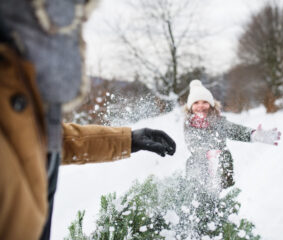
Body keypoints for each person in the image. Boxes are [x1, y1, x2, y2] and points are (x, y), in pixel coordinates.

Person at [0, 2, 176, 240]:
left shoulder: (21, 108)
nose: (76, 43)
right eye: (65, 20)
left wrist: (128, 140)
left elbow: (52, 141)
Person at [184, 80, 281, 189]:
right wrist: (209, 154)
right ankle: (194, 192)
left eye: (204, 102)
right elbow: (193, 144)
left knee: (223, 156)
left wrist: (253, 135)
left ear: (211, 105)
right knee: (194, 162)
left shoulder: (217, 121)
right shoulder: (189, 124)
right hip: (199, 168)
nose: (200, 106)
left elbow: (234, 129)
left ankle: (223, 191)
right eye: (196, 103)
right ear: (190, 107)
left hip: (222, 166)